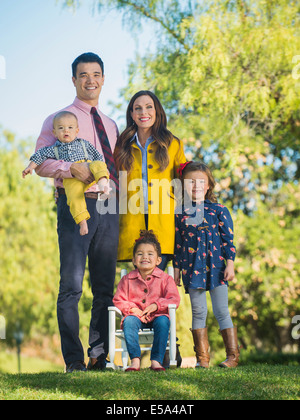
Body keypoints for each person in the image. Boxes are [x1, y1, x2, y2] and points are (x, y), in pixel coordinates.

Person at [34, 52, 119, 372]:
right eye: (84, 75)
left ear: (103, 78)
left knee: (105, 288)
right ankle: (74, 361)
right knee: (71, 285)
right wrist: (71, 169)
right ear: (74, 80)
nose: (90, 80)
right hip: (75, 207)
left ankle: (99, 356)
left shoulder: (110, 124)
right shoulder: (59, 119)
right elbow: (40, 162)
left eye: (96, 74)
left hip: (110, 207)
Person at [174, 161, 239, 368]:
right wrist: (176, 269)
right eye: (190, 182)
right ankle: (203, 359)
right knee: (198, 311)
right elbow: (178, 244)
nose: (196, 186)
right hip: (192, 269)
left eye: (201, 181)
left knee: (222, 310)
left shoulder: (219, 210)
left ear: (209, 185)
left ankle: (232, 357)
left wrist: (230, 264)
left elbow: (228, 240)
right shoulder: (180, 213)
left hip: (217, 268)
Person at [114, 90, 186, 270]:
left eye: (148, 107)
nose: (143, 112)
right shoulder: (122, 147)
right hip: (131, 221)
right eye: (137, 108)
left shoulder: (173, 144)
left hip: (163, 222)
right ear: (131, 114)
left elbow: (184, 183)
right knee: (136, 284)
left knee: (157, 281)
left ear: (157, 111)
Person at [22, 111, 110, 236]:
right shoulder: (54, 149)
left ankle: (103, 184)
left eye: (70, 128)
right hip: (71, 178)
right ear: (55, 133)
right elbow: (39, 155)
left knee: (98, 164)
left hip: (90, 169)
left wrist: (100, 170)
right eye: (61, 128)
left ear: (77, 130)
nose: (66, 131)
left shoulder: (84, 143)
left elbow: (98, 157)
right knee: (74, 198)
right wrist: (30, 167)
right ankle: (82, 221)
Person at [113, 230, 181, 371]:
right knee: (129, 321)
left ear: (158, 260)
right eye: (140, 254)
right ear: (133, 260)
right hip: (136, 317)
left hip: (157, 316)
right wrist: (132, 309)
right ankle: (135, 361)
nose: (145, 257)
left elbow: (174, 299)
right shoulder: (127, 279)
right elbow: (118, 300)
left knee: (163, 321)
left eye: (150, 254)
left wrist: (157, 305)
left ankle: (156, 361)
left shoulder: (165, 279)